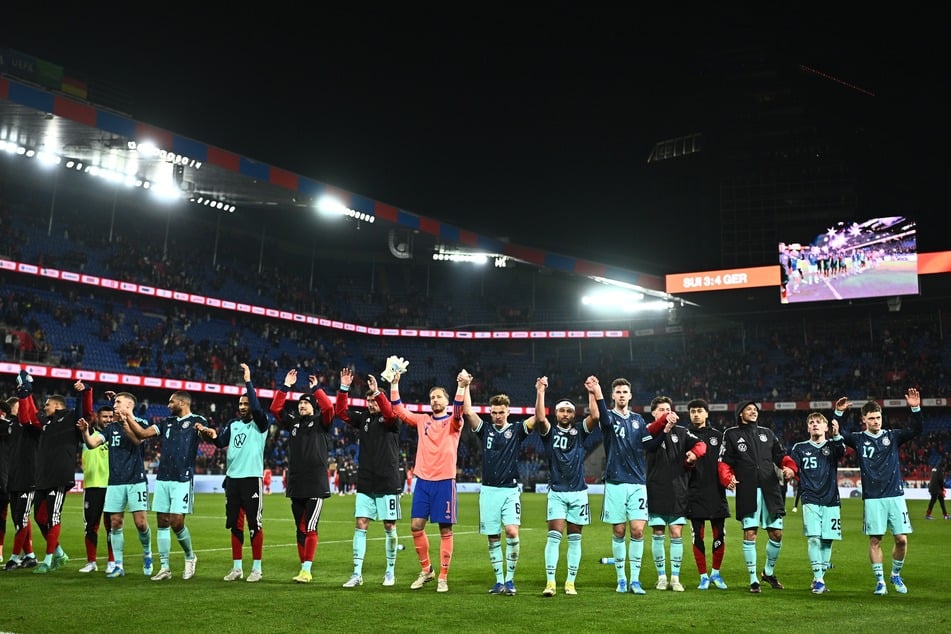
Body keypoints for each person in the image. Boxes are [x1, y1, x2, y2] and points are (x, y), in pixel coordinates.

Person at [837, 389, 923, 595]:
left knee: (901, 539)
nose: (876, 421)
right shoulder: (857, 439)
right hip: (873, 498)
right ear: (864, 419)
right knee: (875, 540)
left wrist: (915, 407)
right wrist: (838, 414)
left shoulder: (892, 436)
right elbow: (836, 433)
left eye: (878, 417)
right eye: (872, 418)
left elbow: (916, 429)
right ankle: (880, 581)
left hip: (895, 495)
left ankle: (895, 574)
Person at [590, 377, 671, 595]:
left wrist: (665, 428)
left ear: (631, 395)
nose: (622, 395)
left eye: (625, 391)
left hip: (637, 483)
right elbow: (604, 420)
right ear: (613, 396)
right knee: (619, 530)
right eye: (618, 392)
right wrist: (596, 391)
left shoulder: (638, 421)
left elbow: (651, 447)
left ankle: (635, 580)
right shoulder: (608, 418)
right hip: (615, 482)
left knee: (637, 530)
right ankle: (621, 579)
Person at [388, 365, 465, 593]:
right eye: (432, 397)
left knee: (445, 530)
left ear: (447, 400)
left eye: (439, 396)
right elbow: (399, 411)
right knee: (415, 526)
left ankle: (443, 576)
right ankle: (426, 570)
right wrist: (394, 383)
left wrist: (461, 387)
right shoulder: (422, 420)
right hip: (423, 481)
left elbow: (460, 411)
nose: (435, 400)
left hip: (444, 482)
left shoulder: (453, 422)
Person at [463, 380, 542, 596]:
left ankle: (510, 579)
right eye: (494, 412)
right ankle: (499, 581)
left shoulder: (517, 430)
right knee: (493, 536)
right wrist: (466, 386)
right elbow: (468, 411)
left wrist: (539, 392)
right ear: (490, 413)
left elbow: (539, 417)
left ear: (508, 411)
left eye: (501, 412)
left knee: (511, 531)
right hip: (488, 491)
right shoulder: (485, 429)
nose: (497, 416)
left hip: (509, 490)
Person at [269, 368, 347, 583]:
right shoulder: (293, 423)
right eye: (300, 402)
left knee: (311, 526)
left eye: (306, 402)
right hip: (296, 482)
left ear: (313, 407)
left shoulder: (322, 422)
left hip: (315, 483)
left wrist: (317, 389)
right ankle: (303, 567)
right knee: (300, 527)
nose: (302, 405)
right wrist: (285, 387)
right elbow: (275, 408)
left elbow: (330, 407)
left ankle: (307, 569)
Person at [197, 363, 269, 583]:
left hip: (251, 479)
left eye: (246, 402)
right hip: (233, 480)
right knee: (234, 524)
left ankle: (256, 568)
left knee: (254, 524)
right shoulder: (233, 424)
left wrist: (248, 381)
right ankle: (237, 567)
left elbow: (257, 409)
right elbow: (219, 443)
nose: (243, 406)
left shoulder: (260, 424)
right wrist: (207, 434)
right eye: (241, 403)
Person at [718, 400, 797, 593]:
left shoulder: (767, 433)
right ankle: (753, 579)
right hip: (748, 490)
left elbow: (781, 456)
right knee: (750, 533)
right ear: (740, 414)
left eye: (755, 409)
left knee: (776, 534)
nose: (753, 412)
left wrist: (790, 468)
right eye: (749, 409)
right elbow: (724, 461)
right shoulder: (731, 434)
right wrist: (727, 478)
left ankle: (768, 572)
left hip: (771, 490)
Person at [126, 389, 205, 580]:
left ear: (183, 403)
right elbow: (143, 433)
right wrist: (128, 417)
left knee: (177, 522)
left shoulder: (197, 420)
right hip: (163, 477)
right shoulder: (166, 422)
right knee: (162, 522)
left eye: (171, 402)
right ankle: (164, 568)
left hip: (182, 478)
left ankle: (190, 557)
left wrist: (207, 433)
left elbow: (208, 435)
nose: (168, 406)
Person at [78, 390, 154, 578]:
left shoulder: (142, 424)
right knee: (115, 523)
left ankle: (147, 553)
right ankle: (118, 565)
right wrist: (85, 431)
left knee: (141, 523)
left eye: (118, 402)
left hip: (136, 480)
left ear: (129, 406)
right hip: (115, 482)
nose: (114, 405)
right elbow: (92, 444)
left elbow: (137, 440)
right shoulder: (111, 428)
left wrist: (124, 422)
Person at [337, 369, 403, 588]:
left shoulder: (392, 419)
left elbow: (390, 414)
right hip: (366, 480)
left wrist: (378, 393)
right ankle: (357, 573)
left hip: (387, 481)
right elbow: (341, 412)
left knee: (389, 526)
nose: (370, 404)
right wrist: (344, 388)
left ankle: (390, 572)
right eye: (368, 400)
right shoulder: (364, 418)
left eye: (373, 400)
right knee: (360, 524)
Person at [534, 376, 598, 596]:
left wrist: (591, 392)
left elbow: (596, 415)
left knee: (575, 538)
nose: (565, 414)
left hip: (579, 492)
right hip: (558, 492)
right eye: (561, 411)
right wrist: (540, 391)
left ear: (574, 414)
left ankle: (570, 582)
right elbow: (539, 418)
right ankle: (550, 582)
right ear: (556, 413)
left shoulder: (580, 431)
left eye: (569, 411)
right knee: (554, 536)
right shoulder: (549, 433)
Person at [16, 372, 83, 574]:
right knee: (39, 517)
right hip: (43, 477)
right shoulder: (47, 424)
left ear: (57, 406)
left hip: (59, 477)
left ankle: (47, 560)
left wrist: (83, 394)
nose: (44, 408)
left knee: (53, 518)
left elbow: (84, 413)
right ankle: (59, 553)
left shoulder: (70, 417)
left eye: (47, 405)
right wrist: (24, 394)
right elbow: (27, 417)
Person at [645, 395, 706, 593]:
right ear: (653, 413)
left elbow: (701, 444)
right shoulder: (648, 432)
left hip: (678, 489)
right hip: (655, 489)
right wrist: (664, 424)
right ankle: (661, 577)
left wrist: (695, 453)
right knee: (658, 533)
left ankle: (675, 578)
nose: (666, 412)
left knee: (677, 533)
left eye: (668, 409)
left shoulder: (681, 432)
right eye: (661, 409)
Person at [789, 411, 844, 594]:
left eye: (819, 422)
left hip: (831, 499)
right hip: (810, 498)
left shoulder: (833, 446)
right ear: (807, 427)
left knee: (827, 540)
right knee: (814, 538)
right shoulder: (799, 447)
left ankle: (818, 577)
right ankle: (819, 579)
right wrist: (789, 471)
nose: (814, 424)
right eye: (811, 422)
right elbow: (792, 465)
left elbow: (841, 452)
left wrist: (836, 436)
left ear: (826, 427)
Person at [685, 398, 730, 590]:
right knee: (698, 536)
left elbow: (726, 462)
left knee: (719, 534)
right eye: (693, 411)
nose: (696, 414)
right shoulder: (684, 435)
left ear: (706, 414)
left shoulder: (718, 436)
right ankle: (703, 576)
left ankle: (716, 574)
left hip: (716, 492)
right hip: (693, 493)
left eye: (699, 410)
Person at [75, 382, 117, 574]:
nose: (108, 420)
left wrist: (116, 401)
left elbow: (124, 420)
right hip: (92, 487)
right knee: (91, 527)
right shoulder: (90, 433)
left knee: (111, 527)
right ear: (97, 418)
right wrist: (87, 391)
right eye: (105, 416)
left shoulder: (115, 435)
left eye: (111, 416)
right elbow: (87, 412)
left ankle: (112, 561)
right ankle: (91, 562)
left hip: (111, 487)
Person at [2, 393, 39, 570]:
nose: (22, 410)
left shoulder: (31, 427)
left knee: (22, 518)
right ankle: (30, 555)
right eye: (19, 407)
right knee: (18, 518)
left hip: (29, 479)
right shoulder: (9, 427)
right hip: (13, 479)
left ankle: (15, 558)